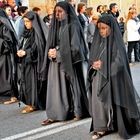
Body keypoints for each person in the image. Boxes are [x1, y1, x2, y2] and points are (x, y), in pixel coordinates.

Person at [87, 15, 140, 139]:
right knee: (98, 104)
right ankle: (100, 127)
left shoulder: (116, 42)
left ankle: (107, 126)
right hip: (97, 77)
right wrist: (93, 64)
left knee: (109, 104)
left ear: (111, 28)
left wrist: (104, 65)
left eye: (104, 28)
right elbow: (92, 58)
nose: (101, 31)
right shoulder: (98, 41)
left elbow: (119, 62)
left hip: (112, 78)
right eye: (99, 29)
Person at [41, 1, 89, 125]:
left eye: (60, 11)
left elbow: (76, 48)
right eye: (56, 12)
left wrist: (58, 53)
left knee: (73, 88)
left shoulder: (73, 25)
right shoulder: (55, 25)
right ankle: (56, 114)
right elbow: (50, 43)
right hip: (55, 63)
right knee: (56, 89)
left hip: (69, 62)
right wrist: (50, 53)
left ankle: (77, 111)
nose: (57, 14)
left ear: (67, 12)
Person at [17, 11, 48, 113]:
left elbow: (39, 49)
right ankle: (31, 102)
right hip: (27, 62)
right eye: (25, 21)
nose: (26, 24)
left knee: (32, 84)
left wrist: (25, 52)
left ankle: (33, 104)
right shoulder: (28, 32)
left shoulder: (37, 33)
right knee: (27, 82)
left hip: (34, 64)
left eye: (28, 21)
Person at [0, 8, 18, 103]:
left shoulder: (5, 27)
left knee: (7, 76)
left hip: (6, 57)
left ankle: (11, 96)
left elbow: (9, 43)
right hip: (1, 56)